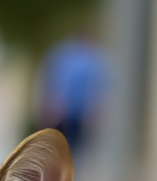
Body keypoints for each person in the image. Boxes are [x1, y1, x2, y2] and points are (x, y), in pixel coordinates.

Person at [38, 30, 108, 163]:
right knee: (66, 143)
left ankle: (68, 169)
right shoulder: (68, 57)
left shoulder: (92, 59)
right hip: (67, 111)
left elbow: (99, 89)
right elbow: (56, 83)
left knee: (74, 144)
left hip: (78, 111)